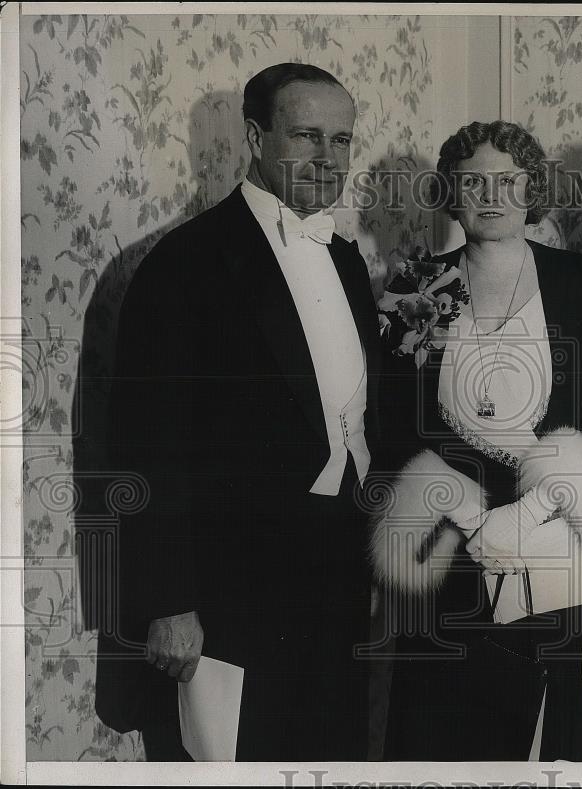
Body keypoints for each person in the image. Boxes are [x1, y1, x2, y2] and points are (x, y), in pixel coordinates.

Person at [95, 63, 380, 761]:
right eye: (307, 136)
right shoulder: (185, 263)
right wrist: (168, 601)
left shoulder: (344, 259)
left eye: (342, 140)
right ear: (255, 138)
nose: (329, 158)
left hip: (336, 567)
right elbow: (144, 443)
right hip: (229, 588)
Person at [369, 120, 582, 761]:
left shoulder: (579, 281)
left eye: (508, 181)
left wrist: (534, 513)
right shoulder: (415, 286)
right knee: (444, 729)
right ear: (451, 193)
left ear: (532, 189)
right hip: (447, 539)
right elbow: (393, 422)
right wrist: (469, 515)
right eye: (472, 182)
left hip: (553, 535)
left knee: (546, 737)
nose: (490, 196)